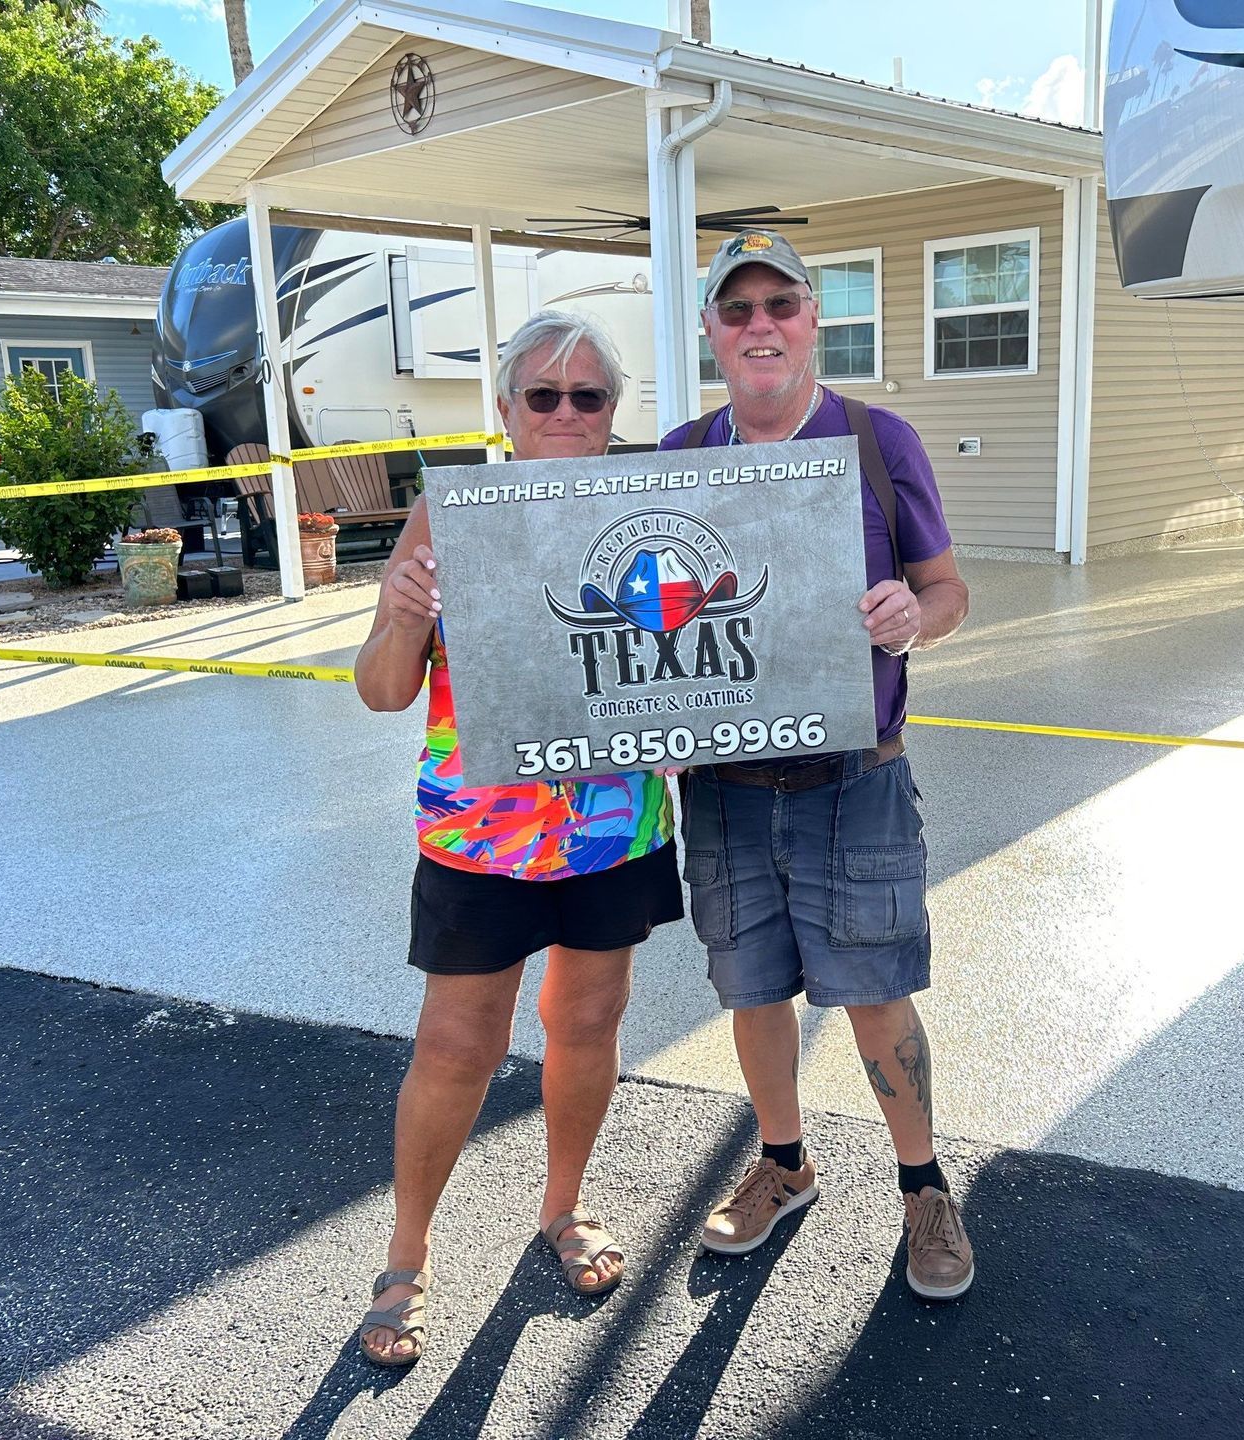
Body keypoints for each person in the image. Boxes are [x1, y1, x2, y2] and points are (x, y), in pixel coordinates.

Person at [352, 310, 684, 1365]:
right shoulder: (443, 518)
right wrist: (402, 614)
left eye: (588, 395)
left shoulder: (651, 509)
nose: (566, 412)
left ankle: (563, 1206)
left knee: (588, 1021)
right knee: (457, 1042)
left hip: (612, 829)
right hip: (479, 839)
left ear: (612, 412)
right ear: (505, 411)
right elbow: (379, 689)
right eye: (543, 394)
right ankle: (405, 1256)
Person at [659, 230, 976, 1300]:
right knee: (751, 991)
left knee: (877, 997)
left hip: (858, 776)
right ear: (711, 330)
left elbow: (948, 592)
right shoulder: (675, 458)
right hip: (725, 789)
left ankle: (924, 1187)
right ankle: (785, 1166)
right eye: (736, 309)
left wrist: (910, 620)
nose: (760, 326)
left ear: (812, 321)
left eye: (780, 306)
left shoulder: (879, 445)